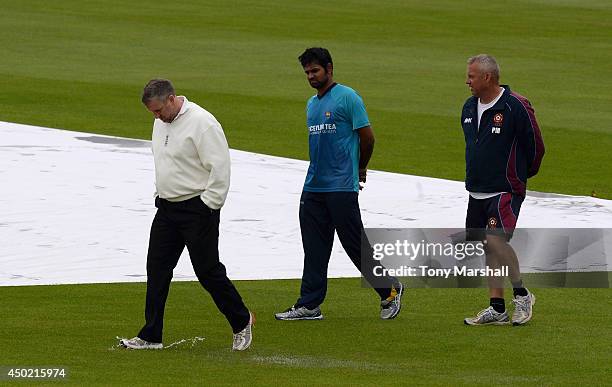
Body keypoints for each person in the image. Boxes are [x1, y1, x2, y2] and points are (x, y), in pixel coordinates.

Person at [120, 79, 253, 350]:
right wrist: (159, 193)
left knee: (207, 271)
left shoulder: (203, 123)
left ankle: (241, 322)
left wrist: (209, 205)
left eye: (158, 110)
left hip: (197, 209)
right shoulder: (161, 121)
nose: (156, 117)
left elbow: (220, 168)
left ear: (171, 99)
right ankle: (151, 335)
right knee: (156, 270)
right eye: (152, 113)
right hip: (167, 209)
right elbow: (165, 159)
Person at [275, 48, 403, 321]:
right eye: (307, 72)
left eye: (315, 71)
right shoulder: (312, 104)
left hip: (341, 186)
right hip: (313, 186)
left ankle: (389, 290)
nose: (311, 76)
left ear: (329, 69)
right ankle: (309, 304)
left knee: (354, 243)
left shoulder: (348, 98)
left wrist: (360, 168)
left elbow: (368, 138)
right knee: (314, 247)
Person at [461, 55, 545, 326]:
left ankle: (522, 294)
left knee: (497, 241)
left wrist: (520, 176)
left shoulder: (515, 106)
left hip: (505, 189)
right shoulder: (468, 107)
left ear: (487, 77)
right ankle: (496, 307)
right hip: (477, 189)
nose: (467, 81)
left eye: (471, 76)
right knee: (488, 246)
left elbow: (535, 146)